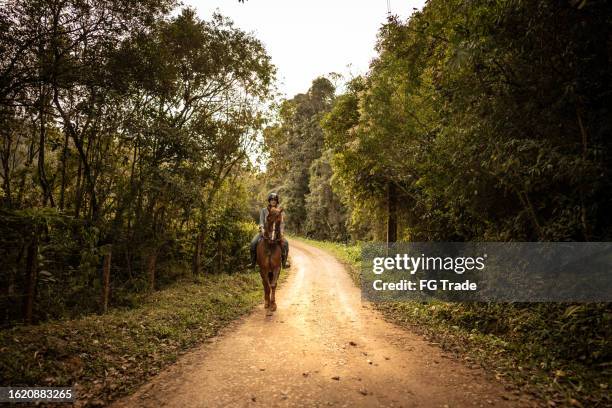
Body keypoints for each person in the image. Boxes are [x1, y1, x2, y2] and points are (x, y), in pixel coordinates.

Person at [250, 192, 290, 268]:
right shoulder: (264, 210)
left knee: (286, 243)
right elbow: (261, 221)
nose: (273, 201)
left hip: (276, 233)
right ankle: (253, 263)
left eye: (275, 200)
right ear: (269, 201)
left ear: (277, 201)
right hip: (264, 232)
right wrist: (262, 229)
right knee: (253, 243)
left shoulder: (279, 211)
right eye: (272, 199)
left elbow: (282, 223)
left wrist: (281, 231)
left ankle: (284, 262)